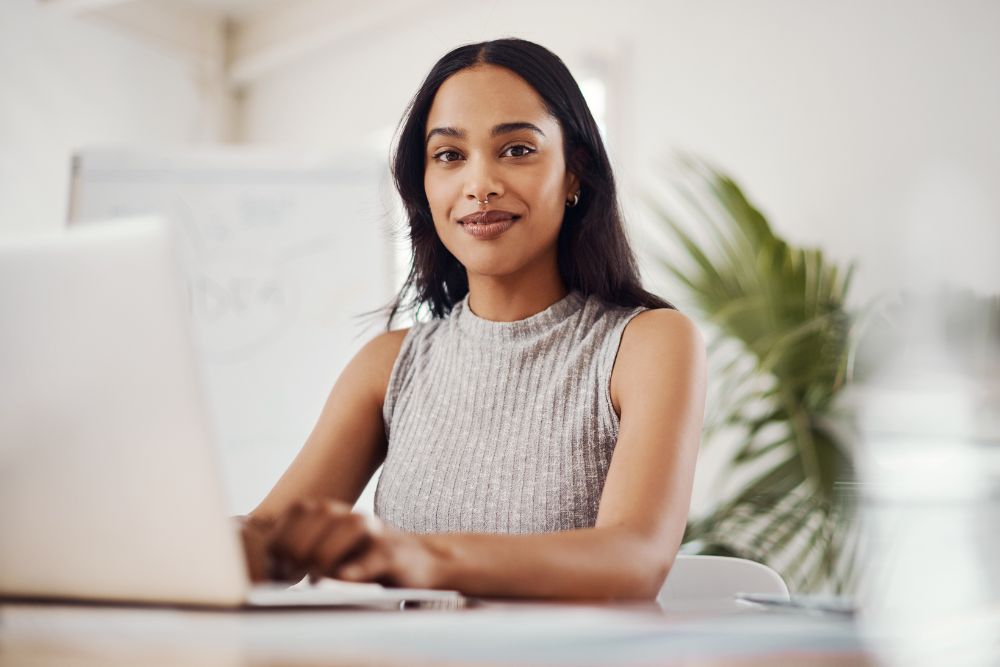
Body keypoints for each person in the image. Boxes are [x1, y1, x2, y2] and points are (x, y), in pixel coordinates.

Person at [239, 38, 706, 601]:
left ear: (574, 172)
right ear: (425, 186)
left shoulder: (647, 344)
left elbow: (633, 559)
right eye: (449, 156)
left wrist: (419, 556)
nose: (479, 185)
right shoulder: (388, 365)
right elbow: (270, 542)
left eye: (516, 149)